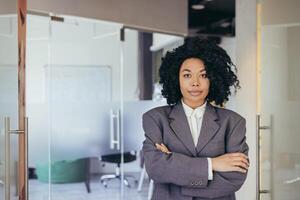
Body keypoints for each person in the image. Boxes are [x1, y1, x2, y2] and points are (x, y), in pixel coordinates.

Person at [142, 37, 249, 200]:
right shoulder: (155, 119)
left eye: (203, 75)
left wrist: (174, 168)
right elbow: (156, 168)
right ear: (175, 78)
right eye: (187, 75)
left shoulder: (233, 122)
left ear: (213, 79)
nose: (195, 83)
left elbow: (234, 178)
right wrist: (212, 164)